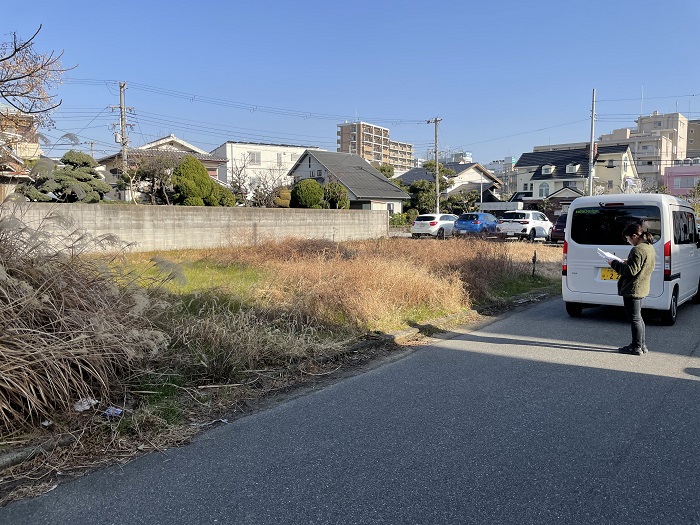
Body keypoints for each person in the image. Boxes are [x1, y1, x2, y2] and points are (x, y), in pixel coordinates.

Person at [605, 222, 656, 355]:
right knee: (638, 318)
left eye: (628, 238)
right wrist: (627, 261)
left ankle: (636, 347)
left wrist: (614, 263)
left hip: (633, 288)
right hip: (642, 286)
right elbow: (640, 264)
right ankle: (642, 345)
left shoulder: (637, 249)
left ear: (634, 236)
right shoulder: (648, 247)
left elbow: (631, 271)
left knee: (634, 319)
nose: (628, 241)